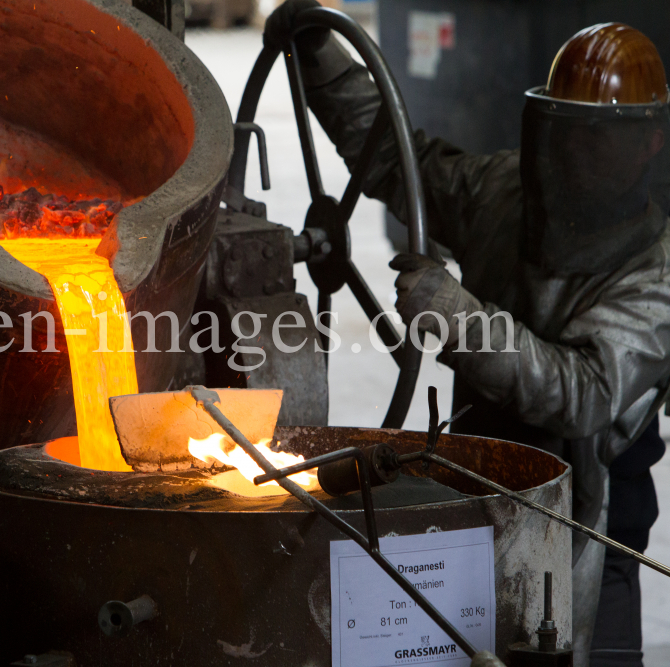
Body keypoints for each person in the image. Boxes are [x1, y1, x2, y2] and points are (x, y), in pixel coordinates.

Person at [264, 4, 670, 665]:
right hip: (476, 483)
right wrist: (321, 59)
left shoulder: (655, 269)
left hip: (588, 520)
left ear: (650, 140)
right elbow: (401, 164)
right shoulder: (504, 190)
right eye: (569, 131)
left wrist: (457, 317)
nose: (579, 151)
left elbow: (584, 391)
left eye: (602, 136)